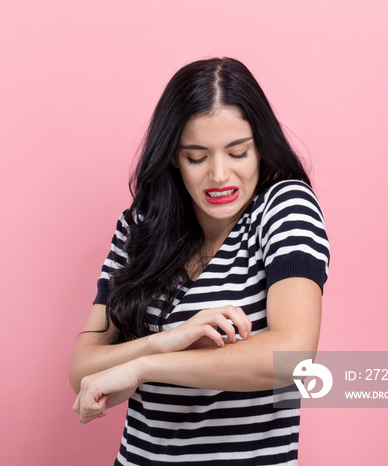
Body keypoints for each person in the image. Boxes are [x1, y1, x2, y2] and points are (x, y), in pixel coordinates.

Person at [69, 57, 330, 465]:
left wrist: (143, 368)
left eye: (238, 152)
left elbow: (292, 358)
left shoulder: (284, 208)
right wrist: (167, 340)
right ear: (173, 156)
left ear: (260, 147)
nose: (220, 176)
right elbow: (83, 367)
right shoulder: (140, 226)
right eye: (197, 157)